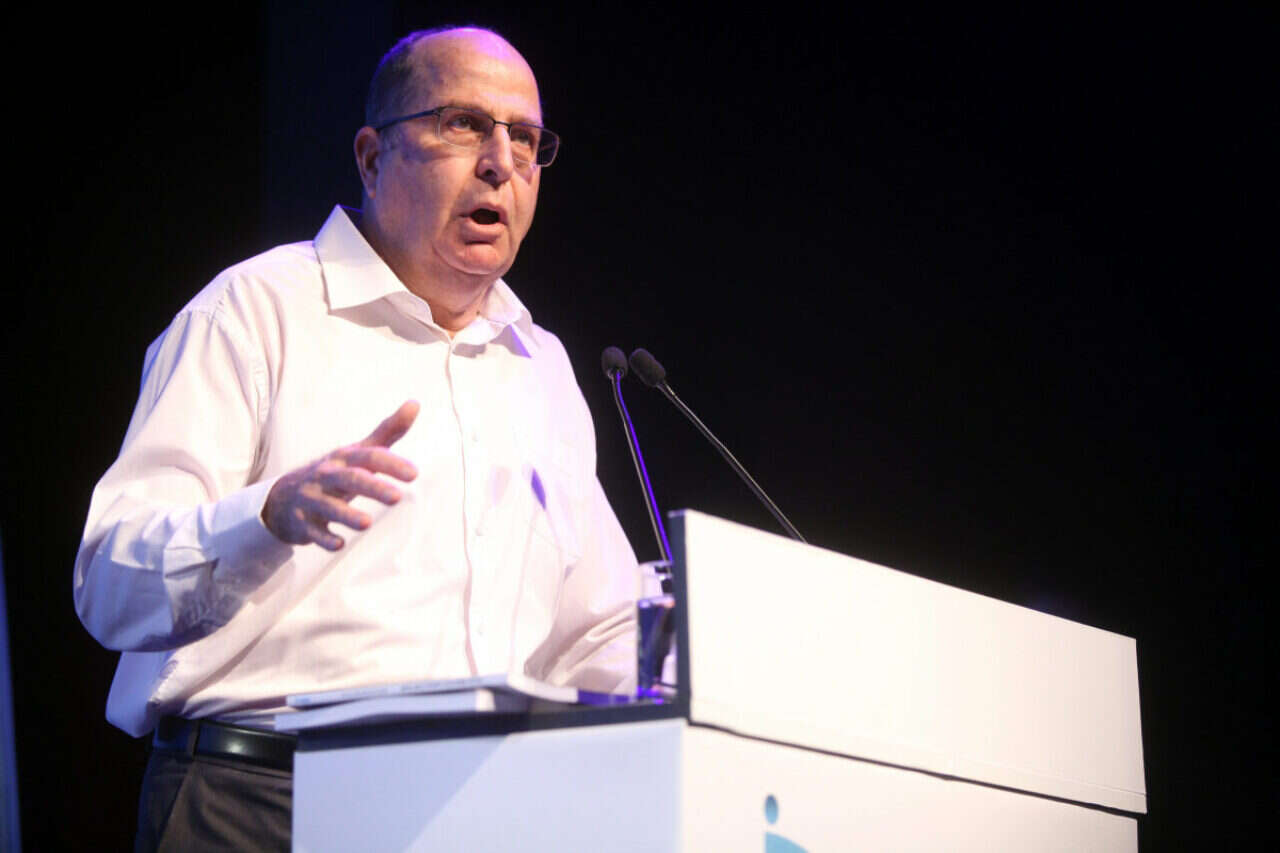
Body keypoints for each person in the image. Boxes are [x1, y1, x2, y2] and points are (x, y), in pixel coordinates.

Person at [73, 27, 638, 850]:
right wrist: (265, 518)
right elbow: (108, 578)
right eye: (464, 124)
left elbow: (597, 629)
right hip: (259, 801)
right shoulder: (256, 310)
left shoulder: (540, 366)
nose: (501, 162)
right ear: (373, 157)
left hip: (471, 815)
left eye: (524, 138)